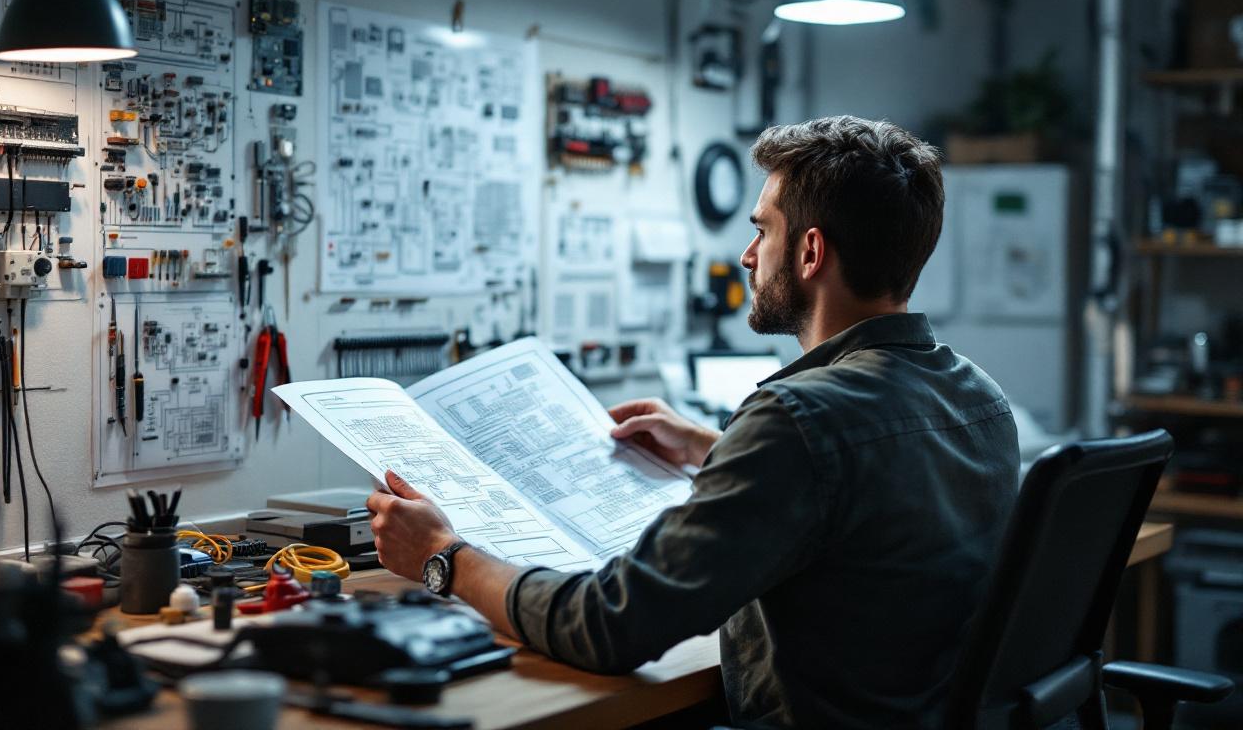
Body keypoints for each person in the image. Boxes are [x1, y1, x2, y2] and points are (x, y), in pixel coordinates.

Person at [366, 116, 1019, 728]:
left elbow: (610, 626)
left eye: (762, 231)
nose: (748, 255)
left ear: (811, 252)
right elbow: (870, 493)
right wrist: (714, 448)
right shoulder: (975, 395)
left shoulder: (798, 421)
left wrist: (443, 556)